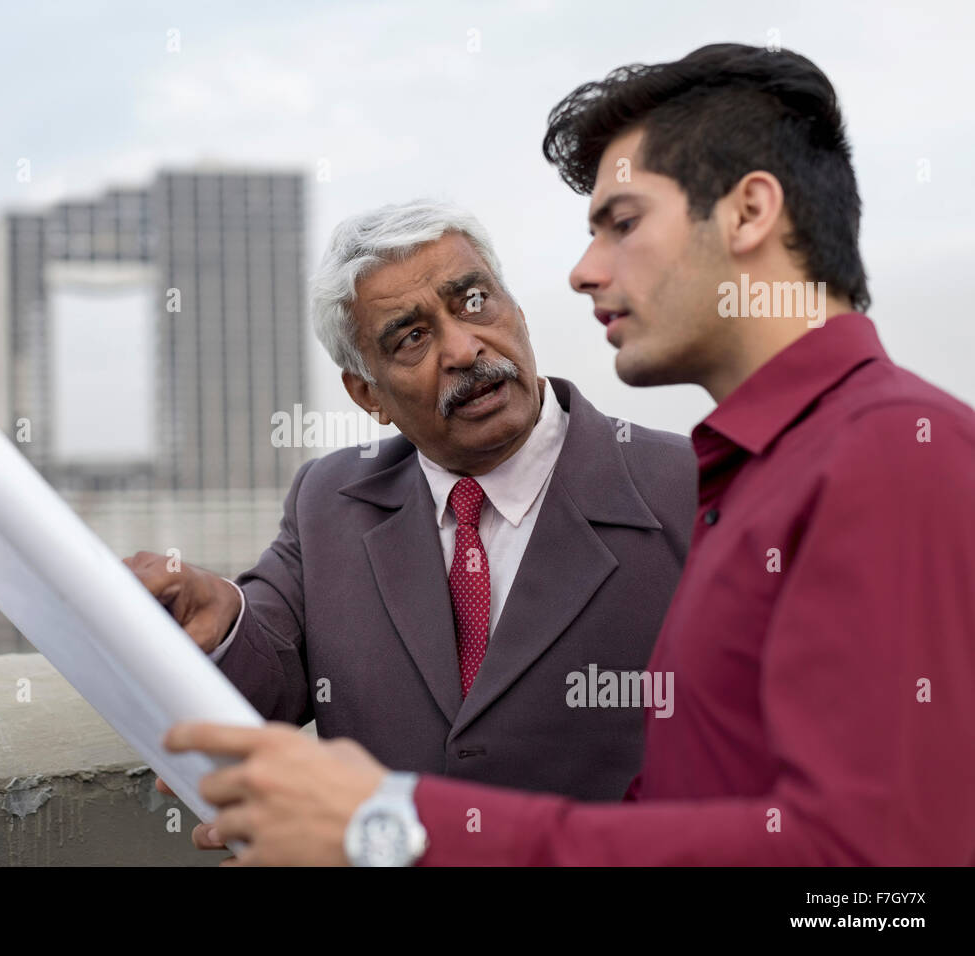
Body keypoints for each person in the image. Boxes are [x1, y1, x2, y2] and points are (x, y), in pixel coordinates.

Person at [164, 42, 975, 866]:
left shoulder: (888, 456)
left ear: (749, 214)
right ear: (365, 393)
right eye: (409, 338)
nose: (584, 273)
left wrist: (392, 829)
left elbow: (879, 881)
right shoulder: (752, 472)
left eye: (622, 225)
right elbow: (688, 807)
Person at [127, 199, 697, 828]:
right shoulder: (330, 499)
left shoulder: (689, 488)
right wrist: (222, 614)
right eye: (412, 337)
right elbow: (269, 667)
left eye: (474, 301)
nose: (462, 348)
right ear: (367, 392)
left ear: (518, 311)